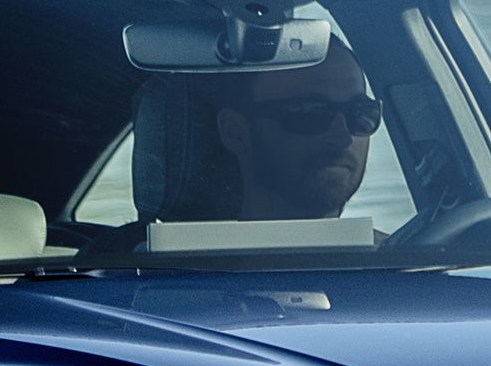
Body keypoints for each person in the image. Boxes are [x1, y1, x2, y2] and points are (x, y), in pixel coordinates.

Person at [140, 26, 387, 224]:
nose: (343, 137)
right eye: (308, 113)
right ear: (235, 131)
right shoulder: (149, 275)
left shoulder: (404, 266)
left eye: (361, 113)